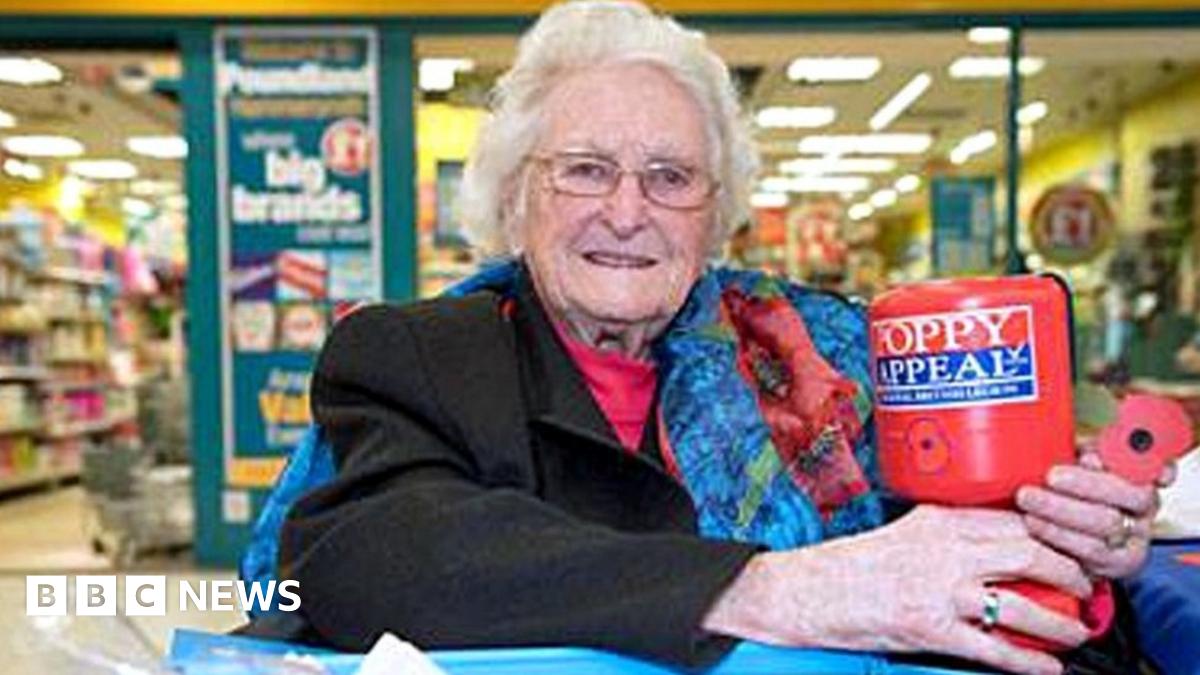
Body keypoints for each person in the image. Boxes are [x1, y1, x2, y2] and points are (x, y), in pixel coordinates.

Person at [273, 3, 1174, 674]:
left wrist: (1066, 558)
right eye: (586, 170)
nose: (627, 212)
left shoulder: (838, 361)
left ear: (716, 219)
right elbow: (373, 554)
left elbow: (982, 604)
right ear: (516, 196)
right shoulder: (418, 353)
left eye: (671, 177)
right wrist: (793, 589)